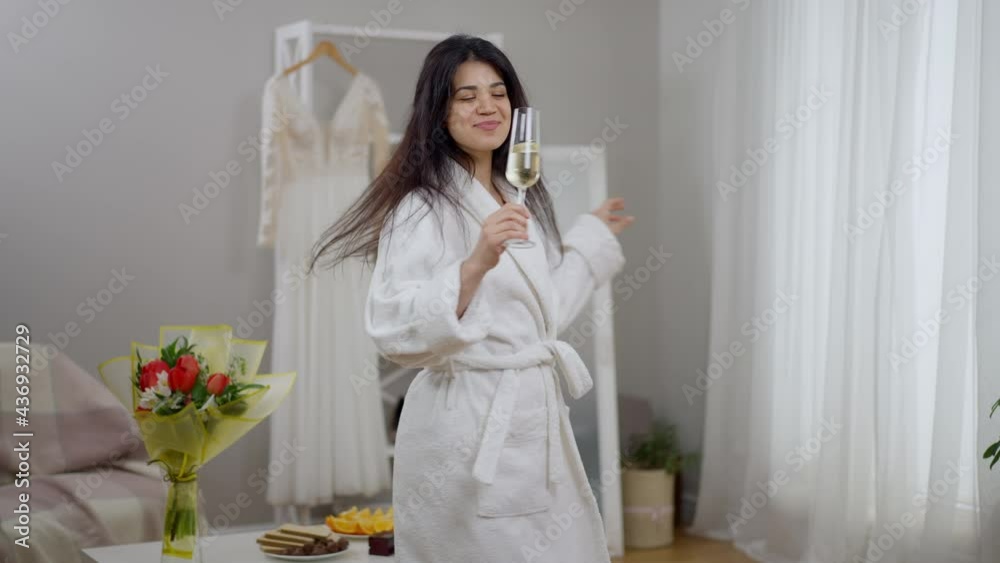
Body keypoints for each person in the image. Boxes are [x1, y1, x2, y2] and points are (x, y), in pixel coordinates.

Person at [309, 34, 634, 563]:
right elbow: (393, 326)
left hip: (532, 414)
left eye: (499, 92)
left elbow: (543, 312)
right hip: (462, 426)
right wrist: (477, 261)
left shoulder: (514, 196)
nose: (487, 106)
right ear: (439, 113)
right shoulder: (420, 207)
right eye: (467, 96)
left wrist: (589, 240)